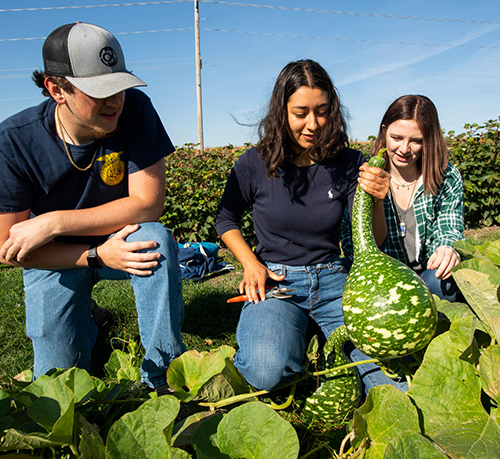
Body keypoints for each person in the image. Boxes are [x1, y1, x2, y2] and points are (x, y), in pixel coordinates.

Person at [0, 22, 186, 389]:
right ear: (57, 89)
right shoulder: (13, 141)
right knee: (59, 384)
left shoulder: (135, 109)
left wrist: (53, 221)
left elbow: (148, 204)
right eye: (99, 91)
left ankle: (164, 377)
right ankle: (88, 321)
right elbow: (7, 248)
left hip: (119, 235)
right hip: (56, 256)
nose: (115, 102)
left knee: (156, 241)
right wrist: (95, 255)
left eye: (119, 86)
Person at [215, 59, 393, 392]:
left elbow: (374, 241)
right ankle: (291, 334)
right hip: (277, 285)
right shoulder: (254, 163)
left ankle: (312, 335)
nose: (313, 124)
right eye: (301, 113)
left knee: (387, 383)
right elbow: (226, 217)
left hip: (335, 283)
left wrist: (378, 200)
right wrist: (250, 264)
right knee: (268, 370)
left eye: (322, 111)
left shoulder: (350, 163)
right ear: (281, 111)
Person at [372, 95, 464, 301]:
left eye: (416, 141)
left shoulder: (445, 176)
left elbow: (449, 227)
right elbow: (354, 242)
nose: (404, 149)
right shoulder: (369, 177)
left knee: (442, 282)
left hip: (429, 272)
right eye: (396, 138)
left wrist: (448, 249)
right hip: (385, 277)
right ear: (384, 131)